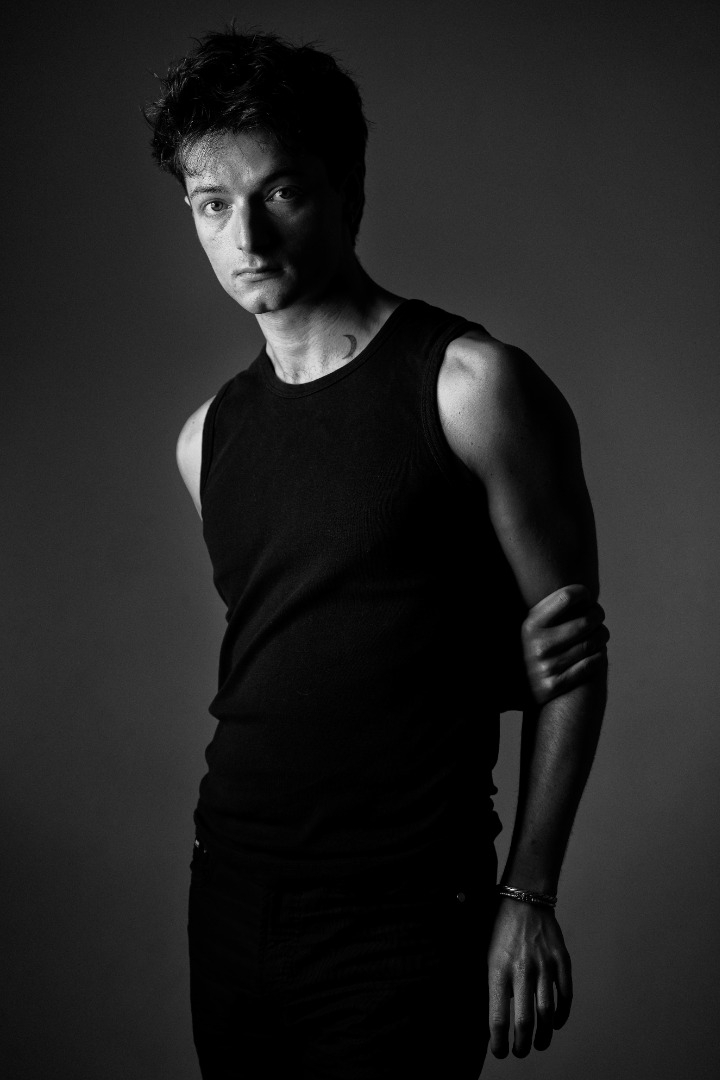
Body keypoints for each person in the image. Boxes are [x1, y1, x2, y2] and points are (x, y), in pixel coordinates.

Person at [145, 28, 609, 1080]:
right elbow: (321, 645)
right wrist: (490, 667)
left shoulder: (471, 386)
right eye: (211, 204)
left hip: (405, 911)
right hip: (231, 890)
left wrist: (527, 893)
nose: (246, 235)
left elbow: (576, 659)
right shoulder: (204, 440)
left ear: (347, 192)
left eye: (280, 192)